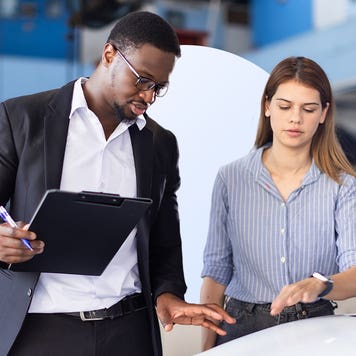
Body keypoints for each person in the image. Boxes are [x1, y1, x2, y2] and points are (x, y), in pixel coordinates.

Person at [0, 11, 234, 356]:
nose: (149, 96)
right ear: (109, 54)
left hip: (129, 332)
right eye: (142, 80)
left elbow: (165, 239)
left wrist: (168, 295)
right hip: (40, 331)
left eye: (159, 87)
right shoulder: (21, 118)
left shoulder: (159, 144)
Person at [200, 56, 356, 351]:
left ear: (323, 114)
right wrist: (208, 349)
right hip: (240, 328)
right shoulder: (231, 178)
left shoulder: (343, 186)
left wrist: (321, 283)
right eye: (285, 106)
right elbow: (216, 273)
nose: (295, 118)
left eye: (308, 109)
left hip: (316, 327)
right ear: (267, 106)